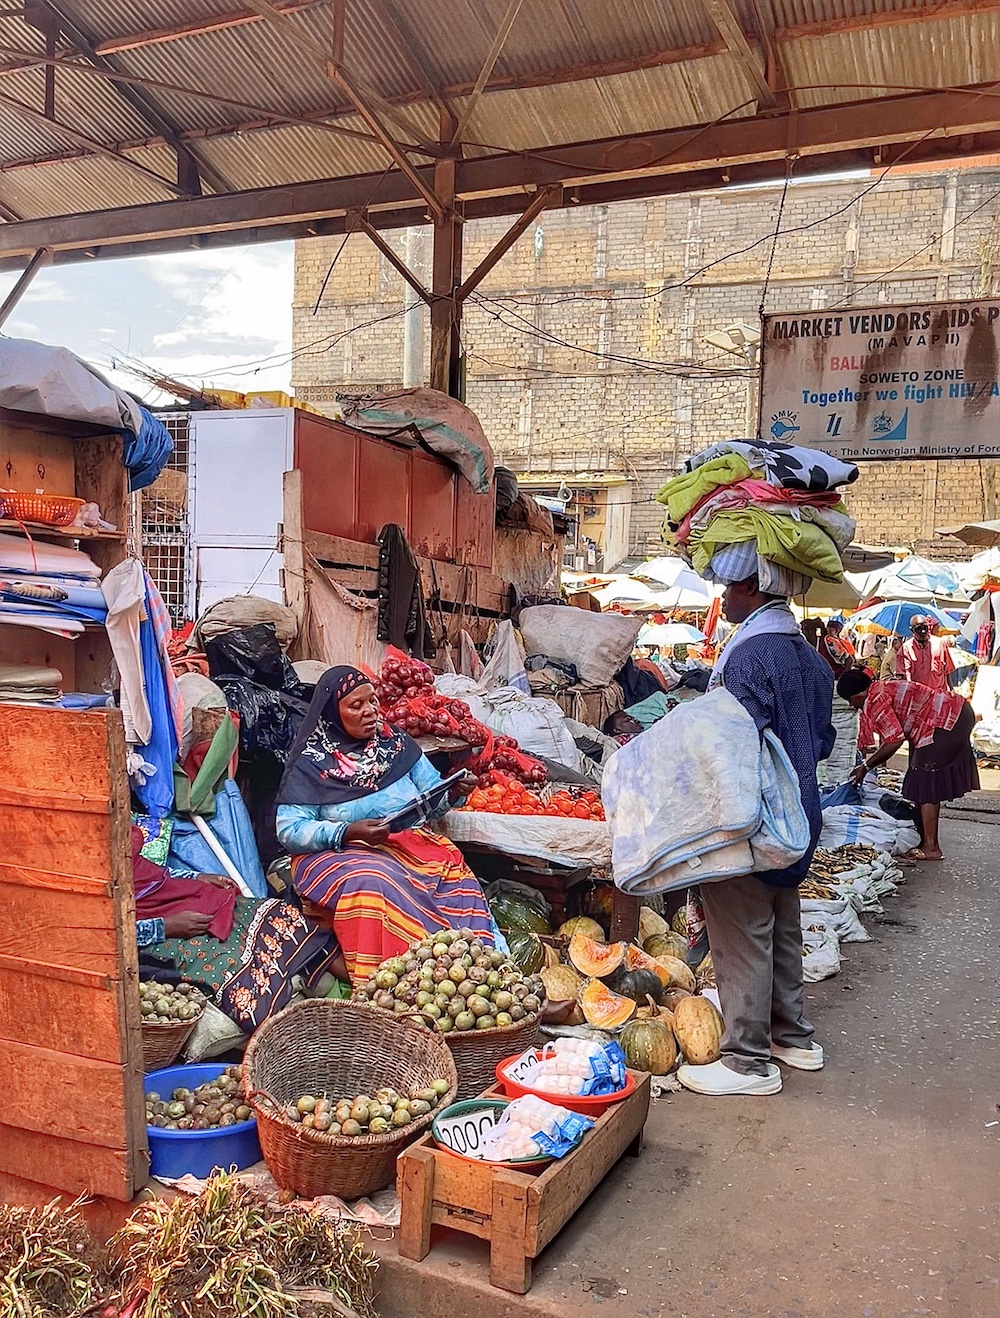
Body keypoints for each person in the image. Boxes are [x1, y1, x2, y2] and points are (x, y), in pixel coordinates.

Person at [676, 575, 835, 1098]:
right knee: (781, 921)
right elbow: (825, 740)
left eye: (728, 588)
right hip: (798, 815)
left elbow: (728, 743)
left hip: (753, 817)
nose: (722, 599)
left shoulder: (748, 658)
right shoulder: (810, 658)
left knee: (741, 929)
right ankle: (792, 1037)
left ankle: (747, 1060)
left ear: (752, 588)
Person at [275, 665, 495, 983]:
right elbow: (290, 830)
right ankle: (404, 983)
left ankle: (478, 977)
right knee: (376, 880)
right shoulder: (312, 762)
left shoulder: (396, 745)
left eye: (372, 701)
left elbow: (432, 799)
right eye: (356, 705)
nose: (369, 712)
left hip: (405, 846)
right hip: (334, 854)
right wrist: (347, 831)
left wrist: (453, 793)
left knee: (451, 864)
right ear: (332, 713)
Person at [133, 828, 339, 1035]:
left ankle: (355, 990)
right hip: (144, 937)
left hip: (171, 901)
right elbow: (106, 936)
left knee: (276, 910)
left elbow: (151, 874)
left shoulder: (116, 839)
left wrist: (197, 877)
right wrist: (165, 926)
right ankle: (283, 1024)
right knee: (228, 964)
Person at [837, 670, 979, 861]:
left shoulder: (873, 701)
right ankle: (924, 840)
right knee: (918, 776)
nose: (850, 705)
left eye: (849, 700)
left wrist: (865, 766)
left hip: (945, 719)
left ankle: (931, 847)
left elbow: (894, 740)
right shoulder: (880, 688)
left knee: (926, 782)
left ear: (857, 696)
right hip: (954, 712)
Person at [899, 616, 954, 692]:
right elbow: (905, 676)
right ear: (912, 630)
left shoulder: (940, 643)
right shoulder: (906, 648)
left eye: (925, 627)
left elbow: (947, 671)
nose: (923, 631)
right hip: (918, 695)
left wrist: (951, 689)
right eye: (919, 629)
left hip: (938, 693)